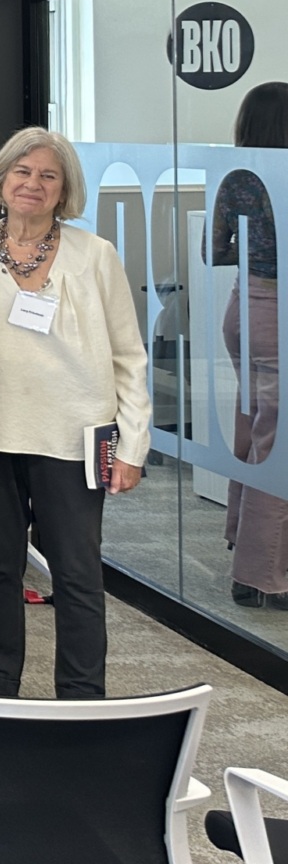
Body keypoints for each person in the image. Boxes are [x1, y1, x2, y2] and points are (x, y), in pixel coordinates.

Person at [0, 128, 148, 700]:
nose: (32, 184)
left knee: (77, 576)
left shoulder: (94, 255)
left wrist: (132, 445)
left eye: (47, 176)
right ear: (0, 179)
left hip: (74, 437)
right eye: (22, 172)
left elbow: (129, 355)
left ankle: (82, 700)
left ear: (64, 190)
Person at [215, 83, 288, 611]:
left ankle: (242, 536)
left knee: (256, 421)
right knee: (278, 440)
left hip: (244, 307)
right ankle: (263, 575)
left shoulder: (237, 176)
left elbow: (213, 251)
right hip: (280, 310)